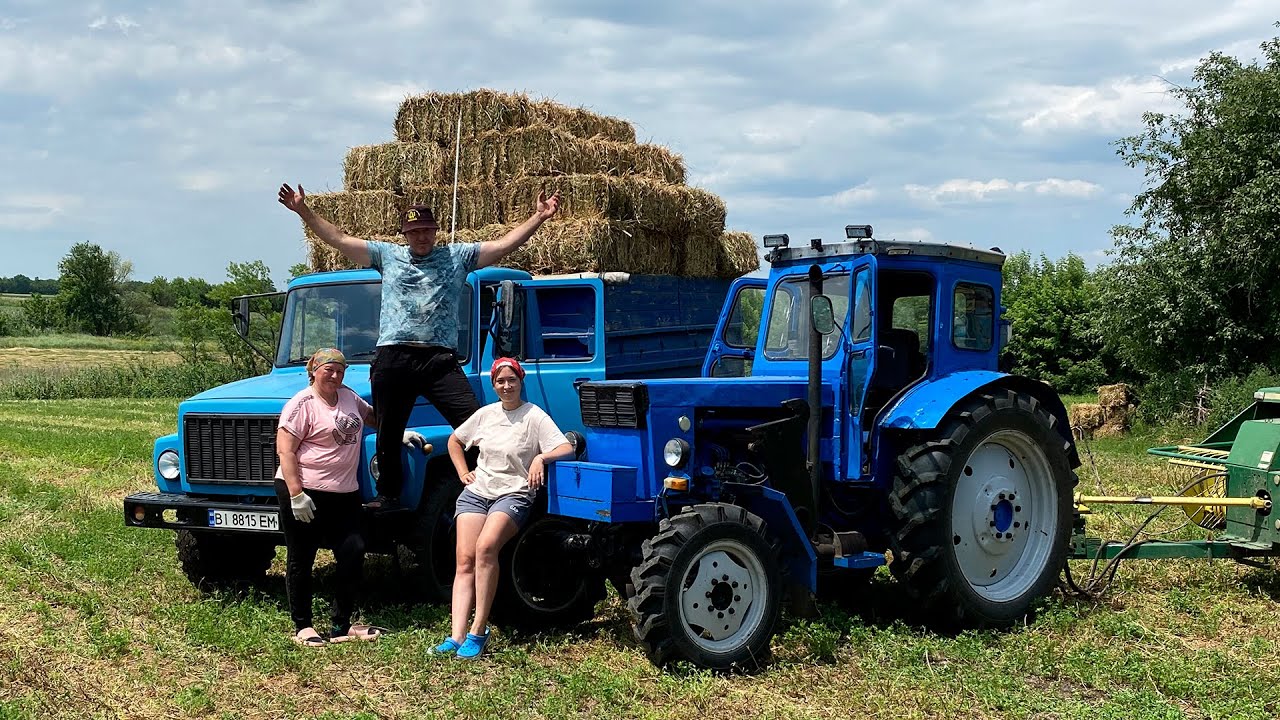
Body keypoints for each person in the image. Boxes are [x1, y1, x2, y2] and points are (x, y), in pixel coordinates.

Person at [278, 183, 561, 512]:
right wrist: (303, 211)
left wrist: (538, 217)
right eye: (415, 232)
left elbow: (501, 246)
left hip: (438, 358)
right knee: (388, 428)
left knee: (476, 421)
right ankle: (388, 495)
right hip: (394, 355)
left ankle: (493, 480)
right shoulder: (387, 255)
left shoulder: (457, 257)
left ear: (435, 231)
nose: (421, 238)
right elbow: (338, 239)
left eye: (427, 231)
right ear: (405, 234)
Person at [274, 348, 425, 647]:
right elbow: (286, 450)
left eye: (340, 371)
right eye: (328, 369)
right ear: (313, 370)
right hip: (306, 491)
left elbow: (371, 417)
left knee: (353, 550)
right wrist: (296, 494)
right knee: (302, 555)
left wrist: (397, 433)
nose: (334, 375)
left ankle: (340, 626)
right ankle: (303, 626)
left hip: (344, 492)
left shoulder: (348, 396)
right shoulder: (301, 404)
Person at [432, 357, 574, 659]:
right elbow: (455, 441)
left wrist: (540, 459)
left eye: (512, 380)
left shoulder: (534, 415)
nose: (506, 386)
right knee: (464, 560)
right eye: (500, 381)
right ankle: (456, 636)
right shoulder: (485, 414)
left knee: (486, 548)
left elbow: (566, 447)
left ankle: (478, 631)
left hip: (513, 494)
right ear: (493, 384)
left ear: (521, 381)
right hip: (477, 491)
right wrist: (462, 473)